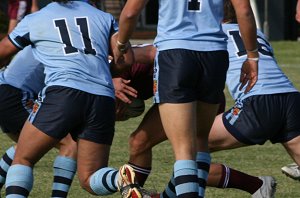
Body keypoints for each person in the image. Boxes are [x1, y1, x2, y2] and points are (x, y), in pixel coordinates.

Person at [126, 1, 300, 197]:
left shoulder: (212, 32)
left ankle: (253, 185)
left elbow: (149, 50)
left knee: (191, 147)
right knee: (193, 147)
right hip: (292, 99)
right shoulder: (258, 34)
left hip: (255, 104)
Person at [0, 1, 145, 197]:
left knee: (23, 158)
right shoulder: (104, 17)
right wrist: (108, 74)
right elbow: (126, 60)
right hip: (102, 98)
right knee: (89, 178)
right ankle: (119, 178)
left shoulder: (36, 18)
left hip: (63, 93)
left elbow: (3, 51)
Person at [0, 46, 77, 198]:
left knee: (27, 146)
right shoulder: (67, 37)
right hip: (15, 93)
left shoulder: (44, 28)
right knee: (71, 144)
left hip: (7, 89)